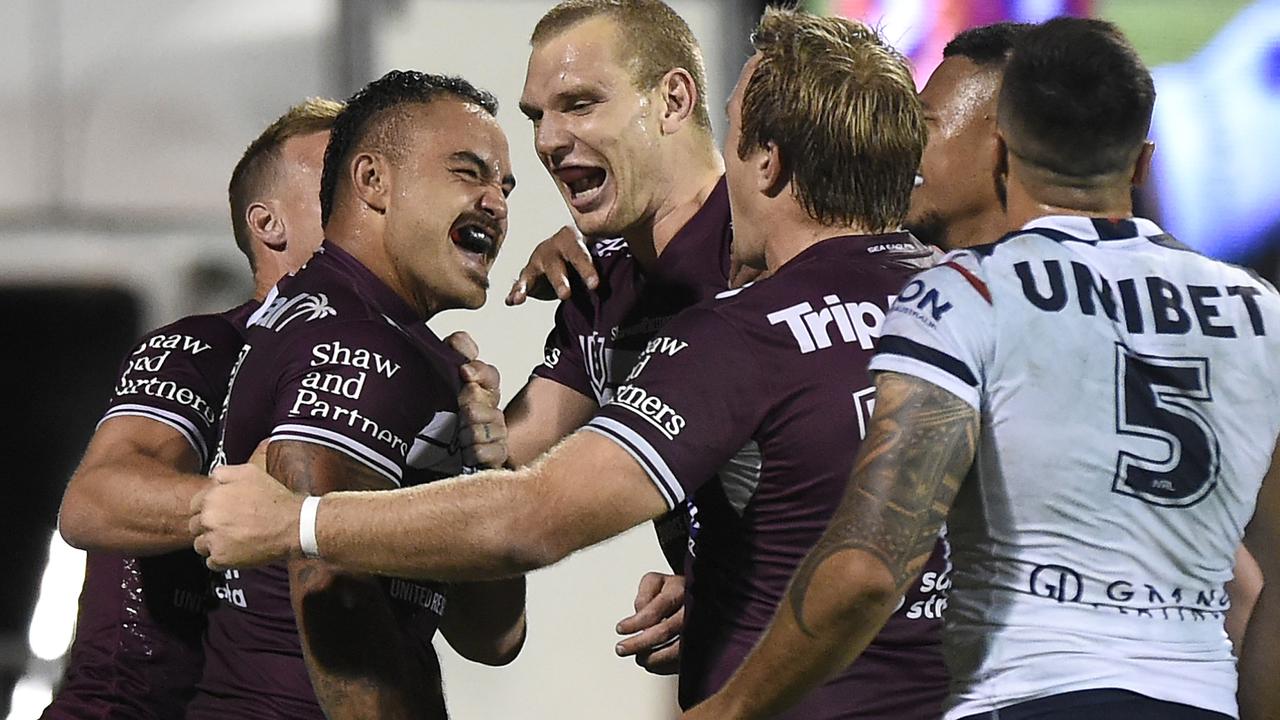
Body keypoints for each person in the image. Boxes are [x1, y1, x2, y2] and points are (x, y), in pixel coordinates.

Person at [189, 10, 952, 718]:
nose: (548, 141)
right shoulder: (604, 284)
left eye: (579, 104)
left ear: (678, 102)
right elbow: (508, 480)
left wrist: (297, 522)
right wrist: (458, 425)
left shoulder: (756, 290)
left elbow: (535, 514)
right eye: (536, 118)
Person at [682, 17, 1280, 720]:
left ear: (1003, 152)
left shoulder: (962, 296)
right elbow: (1241, 576)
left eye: (924, 123)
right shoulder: (1254, 310)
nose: (907, 146)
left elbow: (870, 565)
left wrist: (727, 710)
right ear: (1143, 164)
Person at [181, 71, 525, 720]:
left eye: (505, 187)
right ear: (372, 181)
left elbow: (493, 635)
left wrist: (488, 470)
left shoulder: (389, 340)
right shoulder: (352, 335)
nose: (497, 203)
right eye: (467, 172)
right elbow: (331, 585)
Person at [46, 98, 341, 720]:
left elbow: (494, 635)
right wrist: (246, 509)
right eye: (336, 178)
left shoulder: (399, 378)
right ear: (270, 225)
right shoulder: (208, 346)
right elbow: (91, 501)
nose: (369, 197)